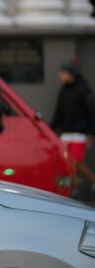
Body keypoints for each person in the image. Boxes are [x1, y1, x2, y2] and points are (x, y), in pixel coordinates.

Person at [50, 60, 95, 195]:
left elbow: (92, 113)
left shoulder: (84, 90)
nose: (60, 76)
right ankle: (68, 188)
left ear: (71, 74)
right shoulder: (63, 91)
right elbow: (58, 113)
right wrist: (50, 129)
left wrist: (91, 133)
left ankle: (75, 187)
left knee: (75, 163)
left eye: (63, 73)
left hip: (80, 134)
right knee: (65, 164)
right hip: (65, 133)